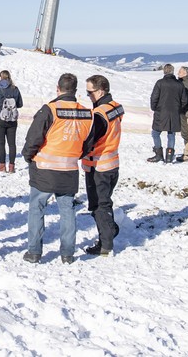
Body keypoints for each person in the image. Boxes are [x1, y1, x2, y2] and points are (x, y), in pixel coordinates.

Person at [21, 73, 94, 265]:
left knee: (37, 208)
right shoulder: (87, 113)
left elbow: (34, 137)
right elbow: (88, 142)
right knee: (67, 210)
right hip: (69, 169)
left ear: (58, 88)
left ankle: (34, 251)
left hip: (44, 168)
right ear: (75, 90)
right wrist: (74, 155)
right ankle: (67, 253)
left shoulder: (49, 110)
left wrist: (28, 156)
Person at [81, 74, 124, 256]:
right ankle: (109, 229)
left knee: (99, 205)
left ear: (100, 91)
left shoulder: (99, 114)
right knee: (105, 202)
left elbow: (90, 141)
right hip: (112, 163)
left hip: (98, 166)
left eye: (90, 92)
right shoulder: (115, 107)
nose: (88, 96)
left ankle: (105, 244)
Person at [146, 64, 188, 163]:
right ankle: (169, 157)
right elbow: (184, 100)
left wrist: (154, 108)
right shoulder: (179, 84)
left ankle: (159, 155)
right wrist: (179, 109)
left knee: (155, 133)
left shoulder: (160, 83)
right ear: (172, 71)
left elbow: (154, 97)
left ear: (164, 72)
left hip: (160, 113)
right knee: (171, 134)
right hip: (174, 113)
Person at [0, 70, 23, 173]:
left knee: (1, 143)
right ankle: (12, 167)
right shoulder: (15, 89)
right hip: (12, 119)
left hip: (0, 118)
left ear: (0, 77)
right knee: (12, 144)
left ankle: (2, 166)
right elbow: (20, 104)